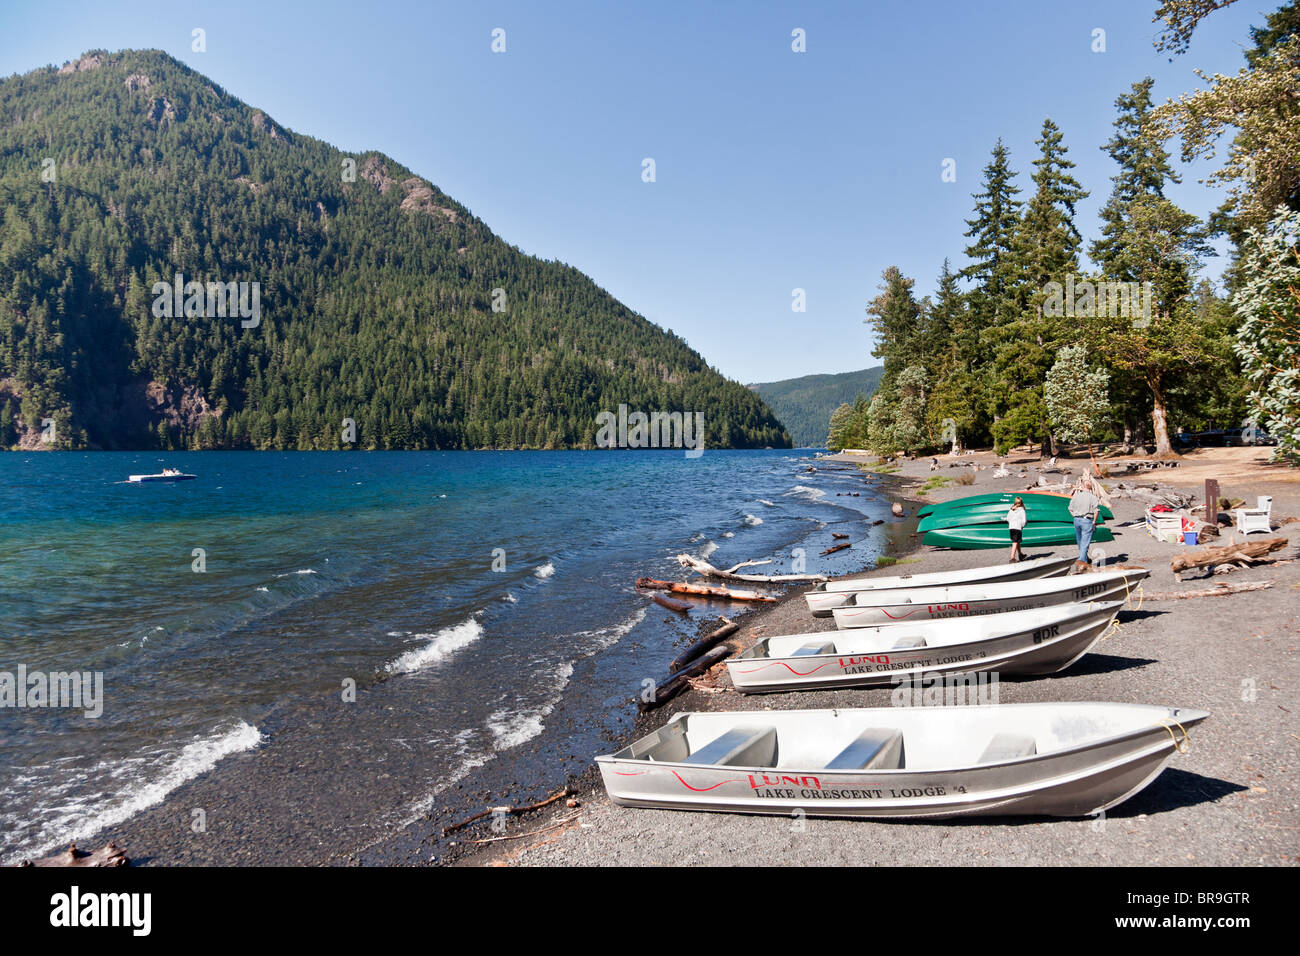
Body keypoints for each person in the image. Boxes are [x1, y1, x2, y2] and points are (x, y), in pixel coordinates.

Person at [1068, 476, 1101, 573]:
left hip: (1077, 520)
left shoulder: (1076, 496)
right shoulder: (1093, 497)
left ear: (1083, 486)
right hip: (1087, 520)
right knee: (1085, 543)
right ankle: (1081, 562)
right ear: (1090, 488)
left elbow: (1070, 508)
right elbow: (1096, 511)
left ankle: (1085, 560)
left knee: (1080, 541)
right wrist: (1094, 522)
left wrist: (1074, 515)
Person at [1006, 496, 1027, 562]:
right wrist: (1022, 526)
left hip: (1011, 527)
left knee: (1017, 541)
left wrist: (1011, 523)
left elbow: (1008, 519)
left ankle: (1020, 554)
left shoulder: (1011, 509)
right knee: (1015, 542)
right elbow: (1024, 520)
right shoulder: (1022, 510)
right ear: (1021, 503)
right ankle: (1012, 558)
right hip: (1017, 527)